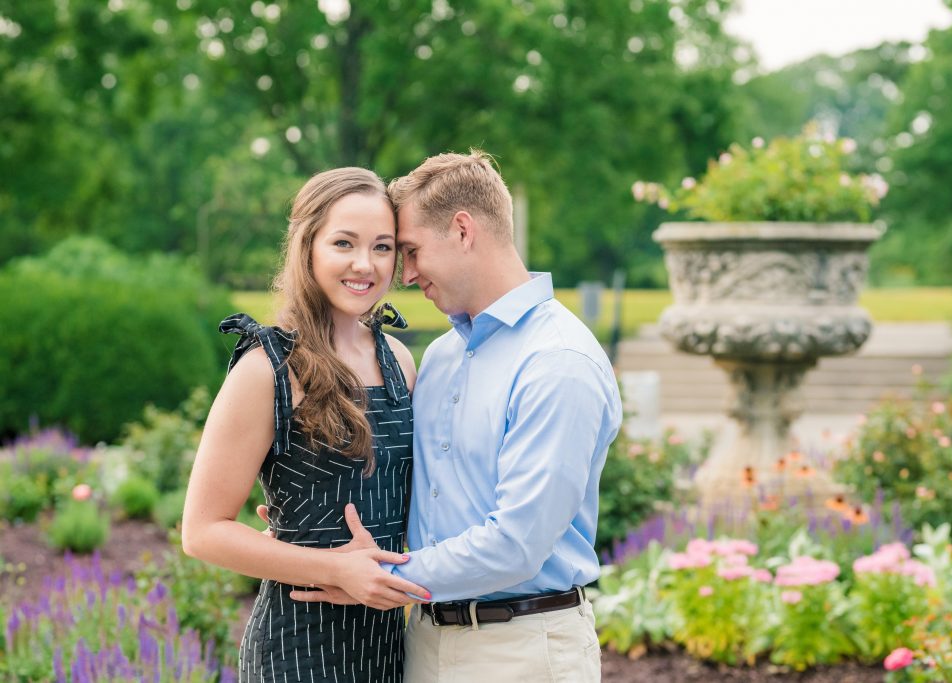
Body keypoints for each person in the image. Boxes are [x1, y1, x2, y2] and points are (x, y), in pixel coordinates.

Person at [293, 151, 622, 682]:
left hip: (522, 650)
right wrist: (309, 526)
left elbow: (517, 544)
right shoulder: (443, 357)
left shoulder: (558, 361)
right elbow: (413, 486)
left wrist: (374, 577)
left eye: (410, 251)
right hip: (423, 641)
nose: (406, 274)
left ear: (463, 230)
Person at [181, 167, 430, 683]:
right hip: (298, 651)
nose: (365, 264)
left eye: (383, 247)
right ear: (307, 246)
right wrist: (333, 567)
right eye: (344, 243)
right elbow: (202, 531)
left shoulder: (399, 360)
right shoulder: (267, 369)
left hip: (389, 649)